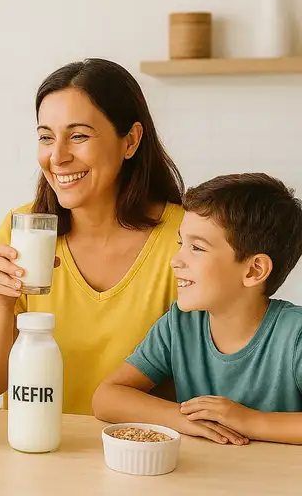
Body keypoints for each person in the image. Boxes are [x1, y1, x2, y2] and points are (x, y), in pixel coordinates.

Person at [0, 58, 185, 415]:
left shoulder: (184, 237)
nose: (57, 156)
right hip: (32, 448)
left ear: (130, 141)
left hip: (137, 454)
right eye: (45, 137)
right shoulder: (21, 229)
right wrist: (2, 302)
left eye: (79, 136)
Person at [93, 173, 302, 446]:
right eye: (181, 244)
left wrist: (250, 421)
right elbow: (106, 398)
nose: (175, 261)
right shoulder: (179, 325)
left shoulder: (294, 335)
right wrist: (184, 419)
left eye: (197, 248)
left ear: (254, 270)